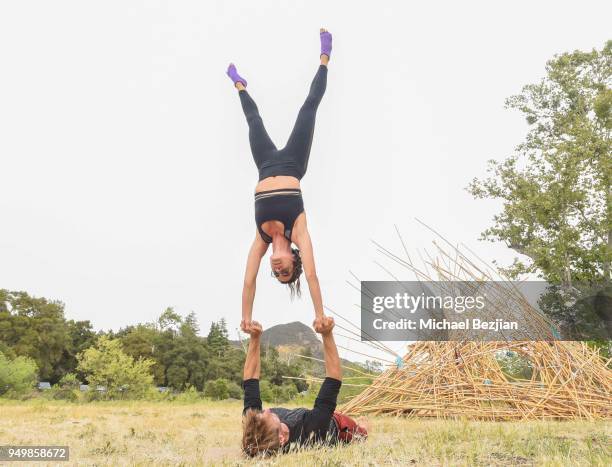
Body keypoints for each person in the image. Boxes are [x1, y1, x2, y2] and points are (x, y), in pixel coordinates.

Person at [226, 29, 333, 331]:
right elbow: (312, 275)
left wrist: (245, 320)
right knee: (308, 107)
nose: (278, 270)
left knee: (253, 120)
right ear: (293, 261)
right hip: (293, 163)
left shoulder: (260, 239)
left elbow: (248, 280)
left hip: (265, 164)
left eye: (277, 274)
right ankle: (325, 58)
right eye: (286, 272)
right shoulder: (298, 231)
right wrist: (320, 315)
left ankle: (239, 84)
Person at [241, 318, 369, 457]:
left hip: (313, 415)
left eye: (260, 414)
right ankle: (362, 426)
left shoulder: (255, 426)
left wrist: (254, 338)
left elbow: (251, 378)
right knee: (362, 431)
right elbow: (334, 378)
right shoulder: (312, 428)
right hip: (339, 428)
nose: (264, 412)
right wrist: (327, 334)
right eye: (267, 417)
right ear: (282, 439)